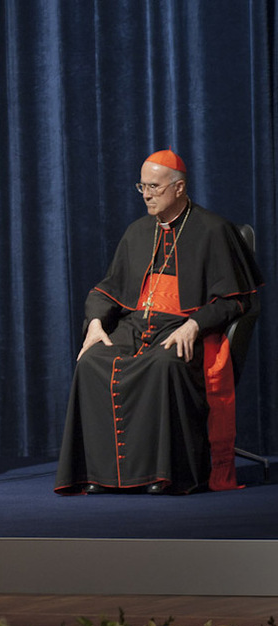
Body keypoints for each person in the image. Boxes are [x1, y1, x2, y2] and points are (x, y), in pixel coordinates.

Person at [55, 150, 263, 495]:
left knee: (166, 364)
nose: (147, 194)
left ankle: (166, 475)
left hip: (183, 328)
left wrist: (195, 325)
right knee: (91, 362)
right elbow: (109, 289)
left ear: (179, 188)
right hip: (136, 325)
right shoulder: (138, 231)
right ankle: (100, 474)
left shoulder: (214, 230)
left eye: (154, 186)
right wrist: (94, 323)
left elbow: (237, 300)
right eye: (142, 186)